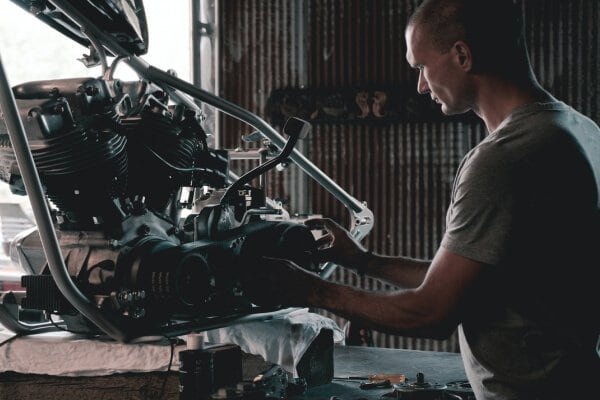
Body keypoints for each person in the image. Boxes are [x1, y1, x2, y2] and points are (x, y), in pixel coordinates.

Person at [244, 0, 600, 399]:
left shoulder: (505, 158)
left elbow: (431, 312)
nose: (421, 86)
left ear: (462, 55)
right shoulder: (578, 130)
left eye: (421, 67)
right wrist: (360, 260)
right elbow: (473, 283)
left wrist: (309, 290)